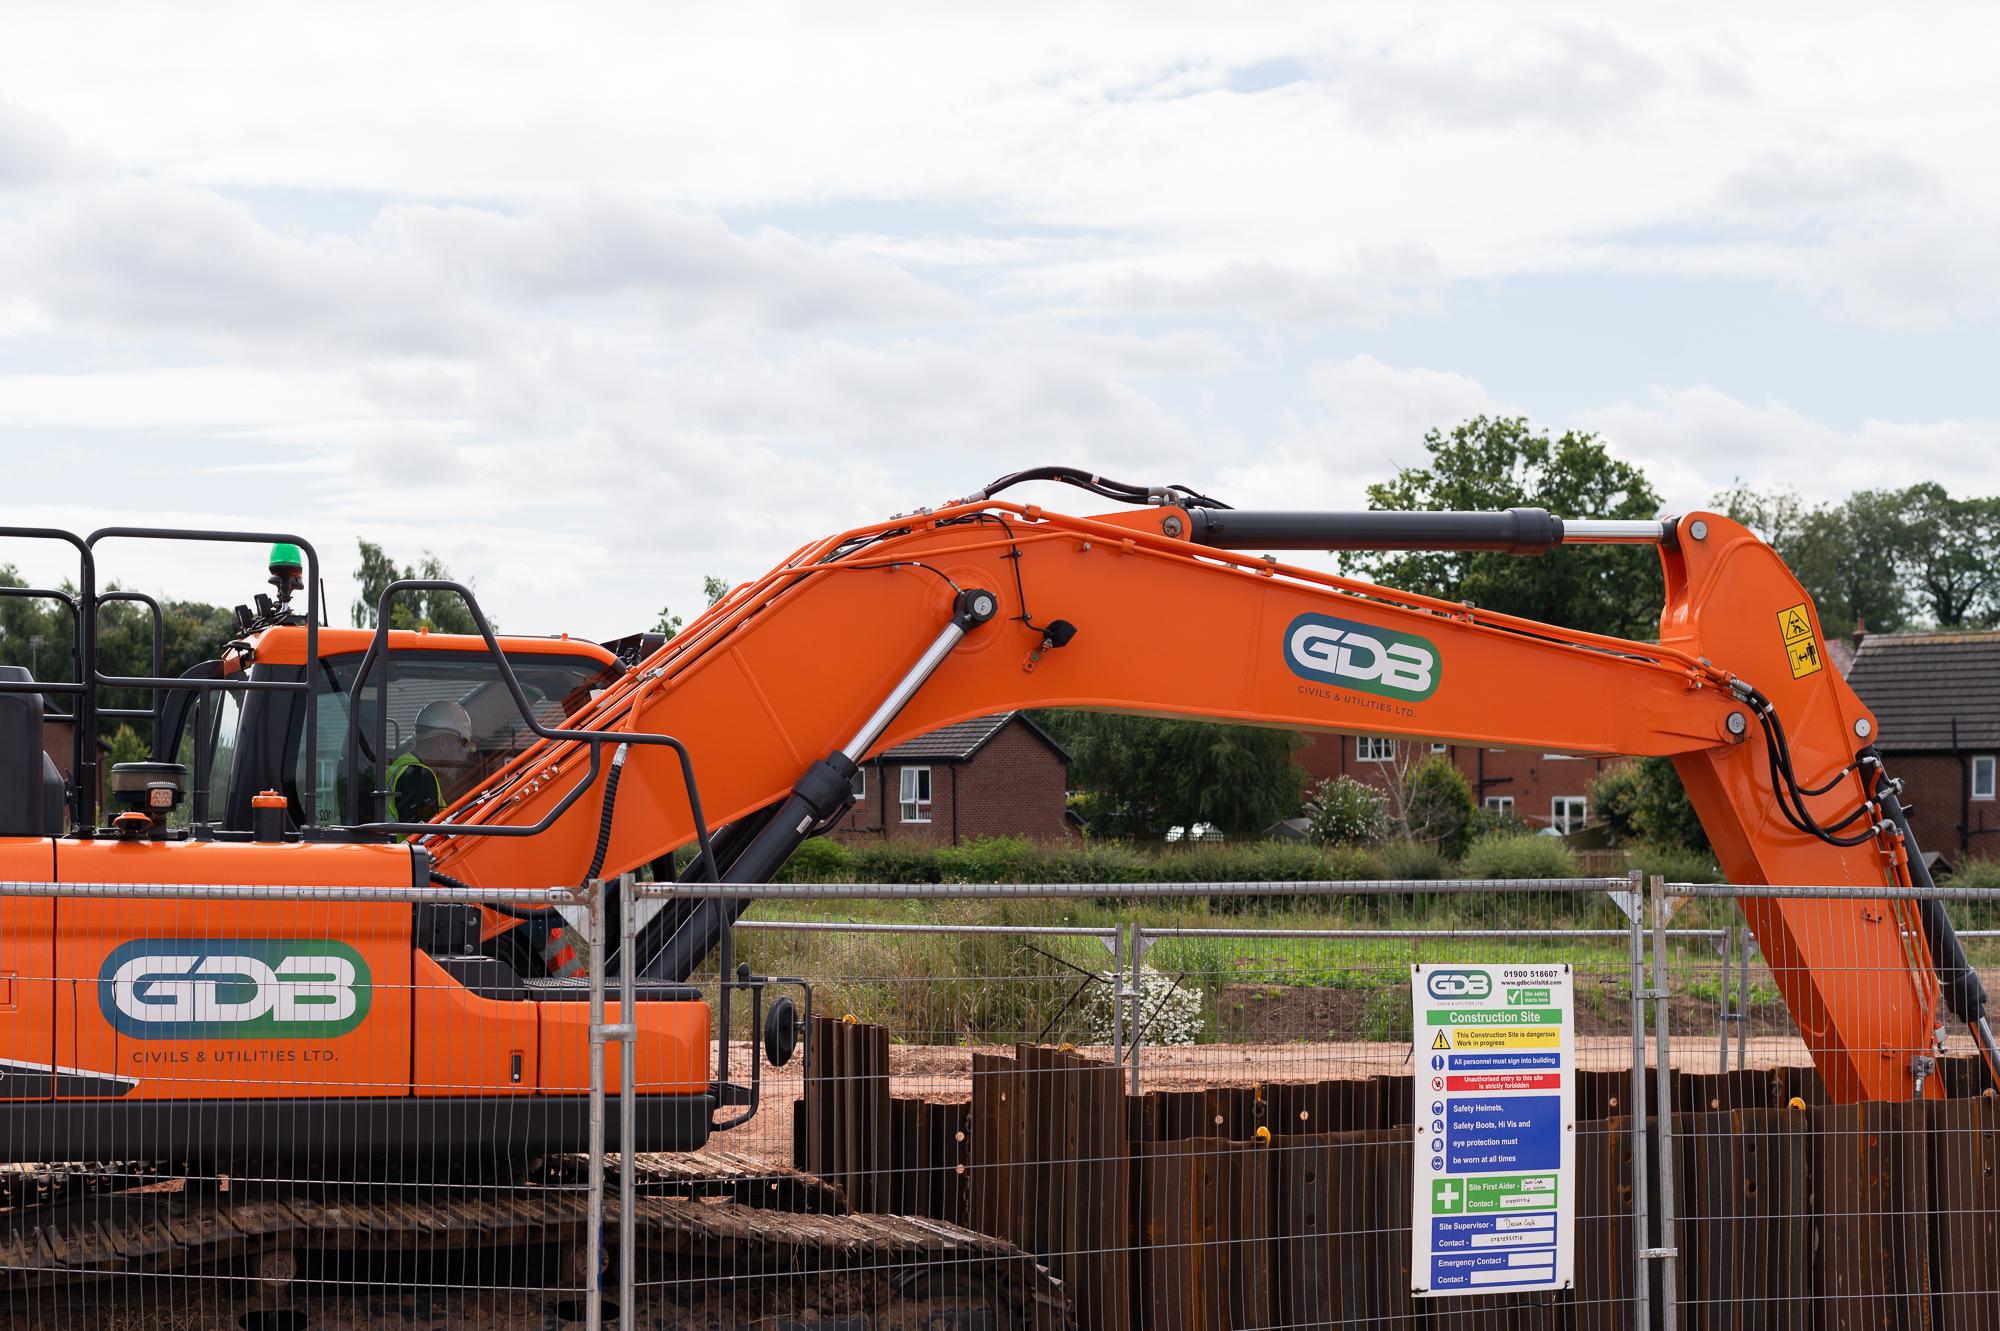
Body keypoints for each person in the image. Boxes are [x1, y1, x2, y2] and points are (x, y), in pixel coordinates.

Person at [386, 699, 476, 824]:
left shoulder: (402, 766)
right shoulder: (417, 776)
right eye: (460, 747)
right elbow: (428, 837)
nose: (460, 758)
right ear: (442, 743)